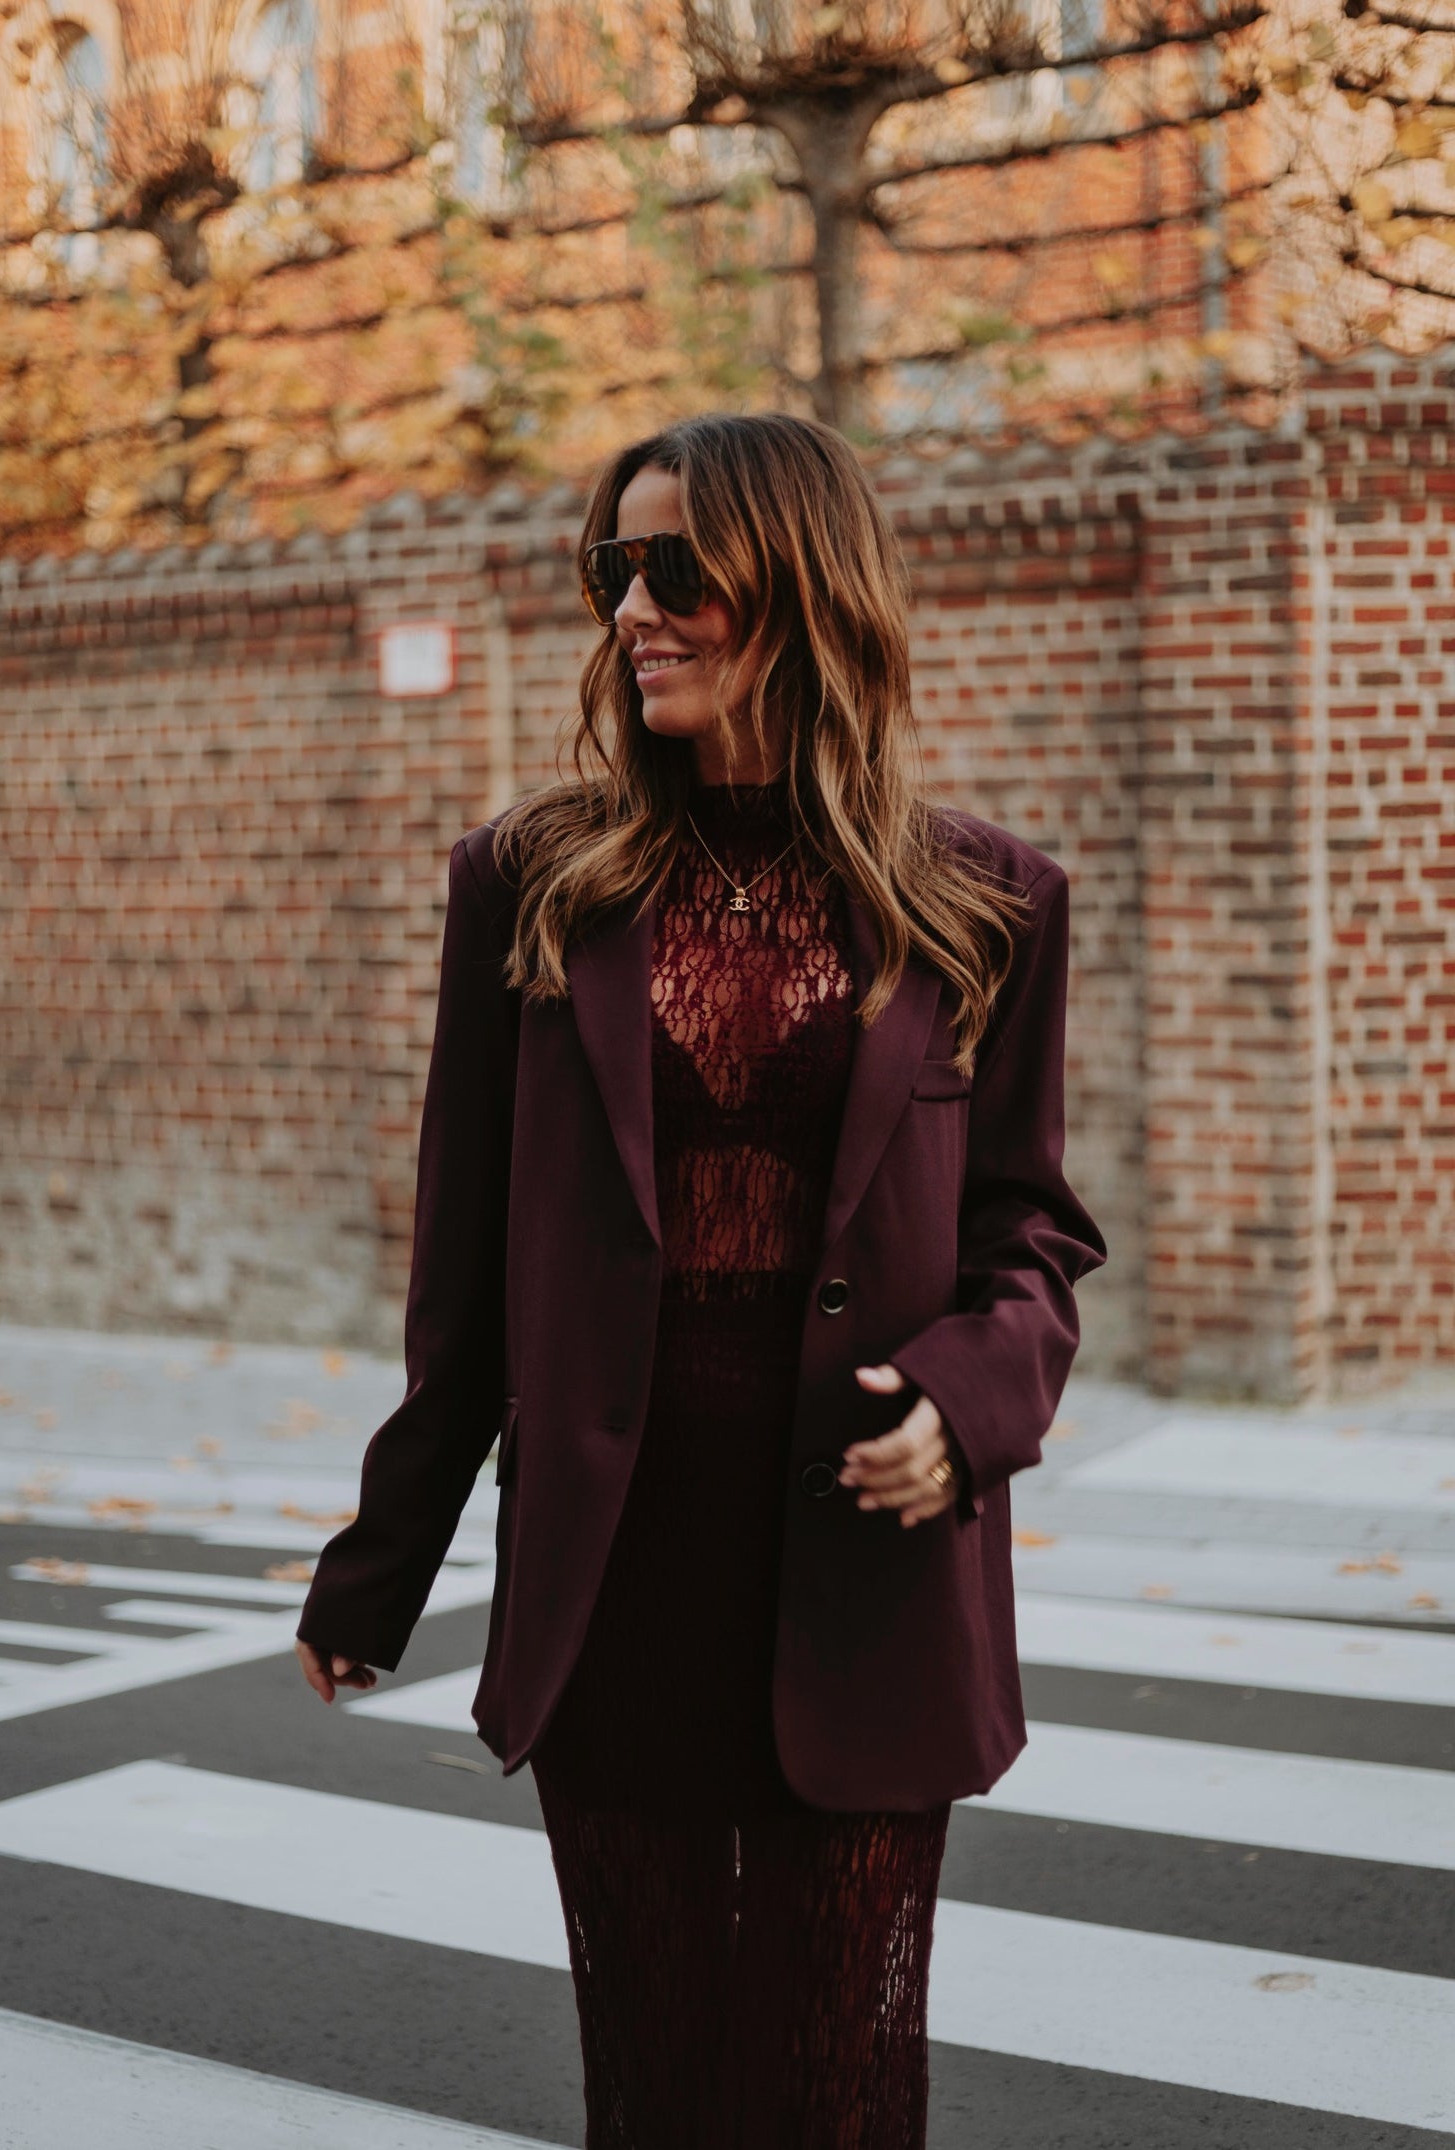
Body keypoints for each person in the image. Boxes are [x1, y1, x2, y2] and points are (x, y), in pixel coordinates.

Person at [294, 412, 1107, 2149]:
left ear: (801, 586)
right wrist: (382, 1562)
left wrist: (965, 1408)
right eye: (614, 567)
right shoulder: (527, 884)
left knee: (836, 2076)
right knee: (655, 2072)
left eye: (676, 569)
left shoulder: (986, 901)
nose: (631, 610)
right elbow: (466, 1266)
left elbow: (1033, 1235)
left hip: (868, 1569)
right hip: (621, 1572)